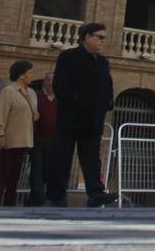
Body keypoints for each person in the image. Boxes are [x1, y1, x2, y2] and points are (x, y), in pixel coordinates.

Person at [46, 22, 119, 208]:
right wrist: (76, 101)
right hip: (70, 118)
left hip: (93, 120)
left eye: (104, 37)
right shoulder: (68, 56)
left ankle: (95, 193)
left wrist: (108, 103)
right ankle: (57, 196)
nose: (103, 41)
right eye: (100, 37)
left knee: (92, 159)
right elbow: (60, 85)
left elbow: (107, 85)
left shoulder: (103, 62)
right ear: (87, 37)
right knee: (61, 157)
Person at [0, 60, 39, 207]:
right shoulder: (9, 91)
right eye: (29, 73)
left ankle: (9, 205)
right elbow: (1, 113)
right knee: (2, 176)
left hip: (23, 139)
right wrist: (0, 133)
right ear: (21, 75)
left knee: (15, 177)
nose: (32, 76)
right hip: (8, 139)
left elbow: (33, 113)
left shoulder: (31, 93)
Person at [26, 70, 57, 206]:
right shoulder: (36, 98)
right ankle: (37, 197)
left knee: (49, 170)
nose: (50, 83)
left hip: (54, 141)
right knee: (37, 168)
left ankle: (46, 197)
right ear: (44, 82)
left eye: (53, 81)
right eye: (48, 80)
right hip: (37, 140)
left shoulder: (59, 99)